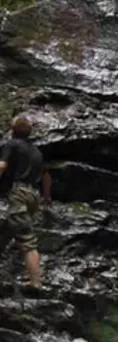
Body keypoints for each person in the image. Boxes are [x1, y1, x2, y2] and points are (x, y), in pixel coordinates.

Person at [0, 116, 52, 288]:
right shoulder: (37, 151)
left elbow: (1, 165)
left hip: (19, 192)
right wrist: (46, 197)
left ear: (12, 128)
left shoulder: (12, 144)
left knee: (27, 239)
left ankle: (36, 284)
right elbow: (46, 176)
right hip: (33, 195)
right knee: (5, 232)